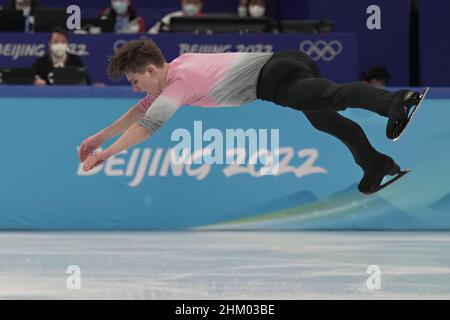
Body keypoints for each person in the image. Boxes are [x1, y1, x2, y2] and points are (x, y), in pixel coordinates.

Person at [79, 39, 427, 195]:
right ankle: (376, 165)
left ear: (152, 71)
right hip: (285, 62)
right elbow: (139, 112)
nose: (137, 89)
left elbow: (146, 126)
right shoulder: (177, 67)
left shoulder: (178, 85)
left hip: (273, 79)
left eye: (136, 81)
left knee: (331, 98)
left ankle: (397, 101)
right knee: (325, 118)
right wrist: (99, 137)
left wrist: (106, 155)